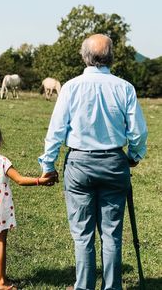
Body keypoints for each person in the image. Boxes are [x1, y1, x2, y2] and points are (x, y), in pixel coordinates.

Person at [38, 34, 148, 290]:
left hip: (78, 164)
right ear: (110, 57)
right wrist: (133, 155)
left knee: (82, 235)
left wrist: (48, 165)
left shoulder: (71, 87)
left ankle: (84, 287)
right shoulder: (124, 87)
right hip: (113, 162)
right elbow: (138, 132)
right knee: (112, 234)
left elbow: (56, 130)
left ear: (84, 56)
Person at [0, 120, 55, 290]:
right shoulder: (2, 161)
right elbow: (21, 180)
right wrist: (40, 181)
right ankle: (1, 282)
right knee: (0, 242)